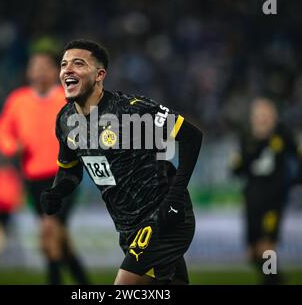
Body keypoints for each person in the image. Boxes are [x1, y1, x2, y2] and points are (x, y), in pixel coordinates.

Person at [41, 39, 203, 285]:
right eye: (64, 64)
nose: (67, 70)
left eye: (78, 63)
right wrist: (56, 192)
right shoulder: (65, 120)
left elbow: (191, 137)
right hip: (128, 228)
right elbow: (70, 171)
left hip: (163, 218)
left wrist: (174, 200)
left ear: (99, 75)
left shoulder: (130, 111)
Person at [0, 43, 89, 285]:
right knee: (58, 239)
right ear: (28, 72)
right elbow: (2, 130)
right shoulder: (18, 100)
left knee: (49, 230)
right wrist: (11, 146)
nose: (40, 72)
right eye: (35, 67)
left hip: (65, 175)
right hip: (34, 179)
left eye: (45, 67)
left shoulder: (67, 98)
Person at [231, 97, 302, 285]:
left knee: (267, 246)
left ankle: (270, 281)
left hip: (274, 198)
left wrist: (298, 182)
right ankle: (275, 278)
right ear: (253, 118)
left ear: (274, 116)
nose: (263, 119)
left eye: (267, 114)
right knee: (252, 252)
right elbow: (236, 170)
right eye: (259, 115)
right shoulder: (246, 136)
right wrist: (252, 149)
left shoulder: (282, 134)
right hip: (252, 198)